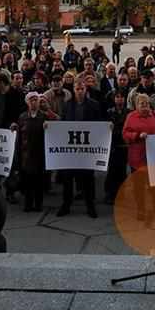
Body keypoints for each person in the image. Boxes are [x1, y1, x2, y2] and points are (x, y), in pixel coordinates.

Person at [58, 78, 103, 217]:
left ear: (86, 89)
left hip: (87, 148)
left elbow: (100, 123)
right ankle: (66, 204)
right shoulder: (66, 105)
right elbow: (62, 124)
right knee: (67, 178)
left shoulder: (94, 105)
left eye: (82, 89)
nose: (79, 91)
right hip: (71, 148)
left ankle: (90, 205)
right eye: (77, 89)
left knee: (88, 178)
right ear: (73, 90)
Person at [122, 92, 155, 223]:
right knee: (139, 186)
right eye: (141, 104)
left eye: (146, 103)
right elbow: (125, 133)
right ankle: (141, 209)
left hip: (153, 156)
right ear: (136, 105)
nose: (144, 106)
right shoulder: (131, 117)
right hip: (137, 157)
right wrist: (137, 135)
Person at [15, 92, 57, 211]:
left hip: (40, 154)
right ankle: (28, 204)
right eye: (31, 100)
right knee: (28, 182)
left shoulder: (44, 117)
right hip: (26, 154)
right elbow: (19, 138)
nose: (34, 102)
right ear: (27, 102)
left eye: (36, 100)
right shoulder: (22, 117)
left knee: (39, 182)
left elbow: (57, 124)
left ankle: (38, 205)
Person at [104, 90, 130, 204]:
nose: (119, 99)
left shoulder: (129, 112)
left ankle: (122, 194)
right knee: (112, 170)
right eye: (117, 97)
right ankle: (110, 194)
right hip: (113, 144)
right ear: (114, 99)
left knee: (122, 171)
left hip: (123, 145)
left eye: (121, 97)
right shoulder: (109, 112)